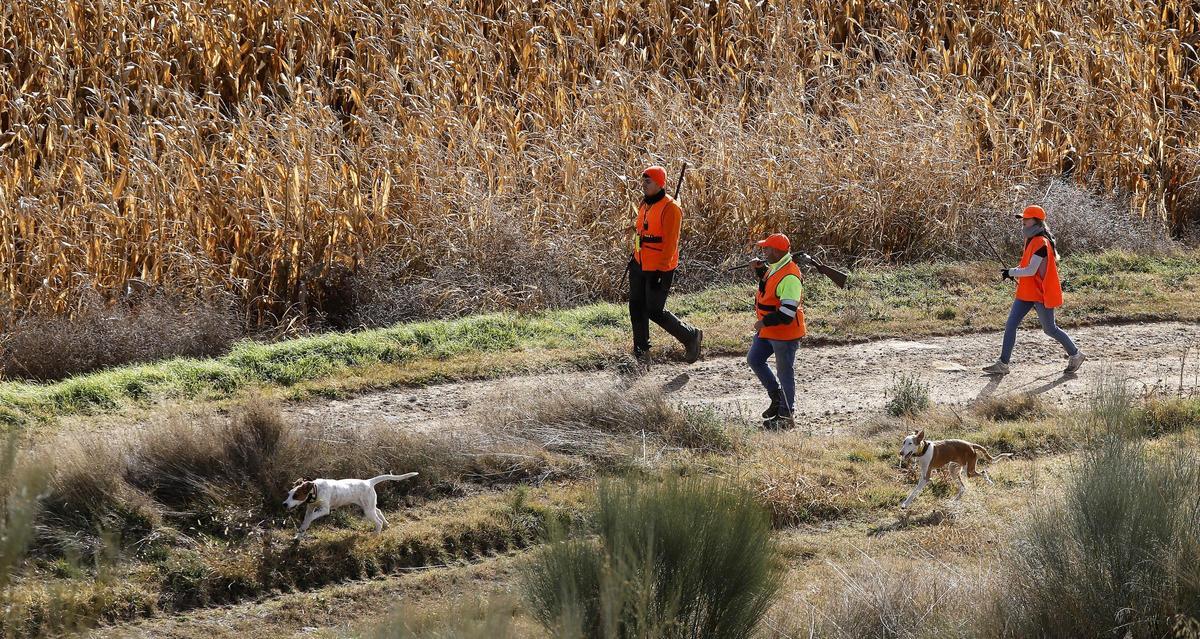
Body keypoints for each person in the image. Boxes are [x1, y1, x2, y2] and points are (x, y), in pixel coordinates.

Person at [983, 205, 1086, 376]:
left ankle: (1076, 354)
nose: (1023, 223)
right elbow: (1026, 266)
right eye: (1022, 220)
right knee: (1011, 325)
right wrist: (1013, 270)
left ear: (1036, 222)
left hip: (1040, 293)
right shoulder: (1031, 240)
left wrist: (1012, 272)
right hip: (1026, 292)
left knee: (1050, 329)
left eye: (1026, 220)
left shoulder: (1041, 242)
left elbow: (1031, 270)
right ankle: (1003, 363)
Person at [628, 165, 702, 368]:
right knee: (636, 307)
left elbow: (671, 243)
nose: (643, 184)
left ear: (660, 184)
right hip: (639, 263)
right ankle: (641, 354)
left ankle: (690, 336)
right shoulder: (645, 203)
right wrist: (635, 256)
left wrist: (661, 271)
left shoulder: (671, 208)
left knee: (654, 310)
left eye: (648, 181)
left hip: (659, 268)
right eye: (643, 180)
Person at [747, 233, 805, 429]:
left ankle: (786, 416)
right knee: (754, 359)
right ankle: (778, 398)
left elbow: (787, 313)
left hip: (784, 333)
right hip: (770, 331)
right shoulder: (776, 267)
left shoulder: (790, 276)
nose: (763, 251)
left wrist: (763, 323)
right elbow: (769, 289)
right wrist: (760, 270)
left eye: (767, 248)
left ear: (777, 251)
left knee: (784, 373)